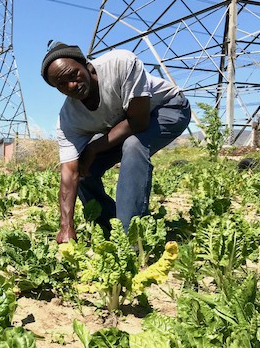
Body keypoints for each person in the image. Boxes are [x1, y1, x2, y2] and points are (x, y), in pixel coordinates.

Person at [40, 41, 191, 243]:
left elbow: (138, 122)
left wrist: (94, 147)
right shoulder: (69, 118)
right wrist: (66, 227)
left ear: (86, 64)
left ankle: (131, 237)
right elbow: (69, 172)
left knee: (134, 145)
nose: (71, 86)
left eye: (73, 75)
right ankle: (112, 227)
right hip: (124, 124)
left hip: (169, 108)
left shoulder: (120, 63)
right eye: (61, 84)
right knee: (84, 168)